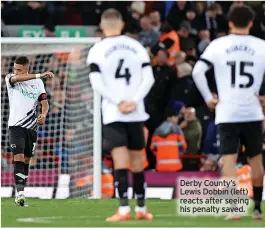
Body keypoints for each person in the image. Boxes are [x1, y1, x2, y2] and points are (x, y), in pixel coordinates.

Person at [192, 5, 265, 220]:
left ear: (230, 22)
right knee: (256, 161)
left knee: (229, 161)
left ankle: (234, 209)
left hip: (227, 111)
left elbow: (197, 72)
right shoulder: (261, 46)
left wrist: (208, 98)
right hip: (252, 111)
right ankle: (258, 210)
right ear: (251, 23)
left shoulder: (218, 45)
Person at [87, 9, 155, 222]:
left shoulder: (97, 50)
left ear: (102, 25)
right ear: (122, 24)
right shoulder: (137, 47)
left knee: (120, 160)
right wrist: (134, 100)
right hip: (136, 111)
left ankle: (124, 210)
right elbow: (149, 78)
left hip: (114, 112)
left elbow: (96, 83)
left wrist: (118, 102)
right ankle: (142, 209)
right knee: (137, 160)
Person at [5, 56, 54, 206]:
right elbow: (16, 78)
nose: (16, 72)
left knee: (26, 159)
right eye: (15, 69)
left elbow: (44, 104)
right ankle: (19, 193)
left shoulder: (38, 83)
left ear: (27, 69)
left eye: (19, 70)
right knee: (18, 157)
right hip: (16, 125)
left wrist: (43, 115)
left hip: (31, 127)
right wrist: (41, 74)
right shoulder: (10, 79)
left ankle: (21, 190)